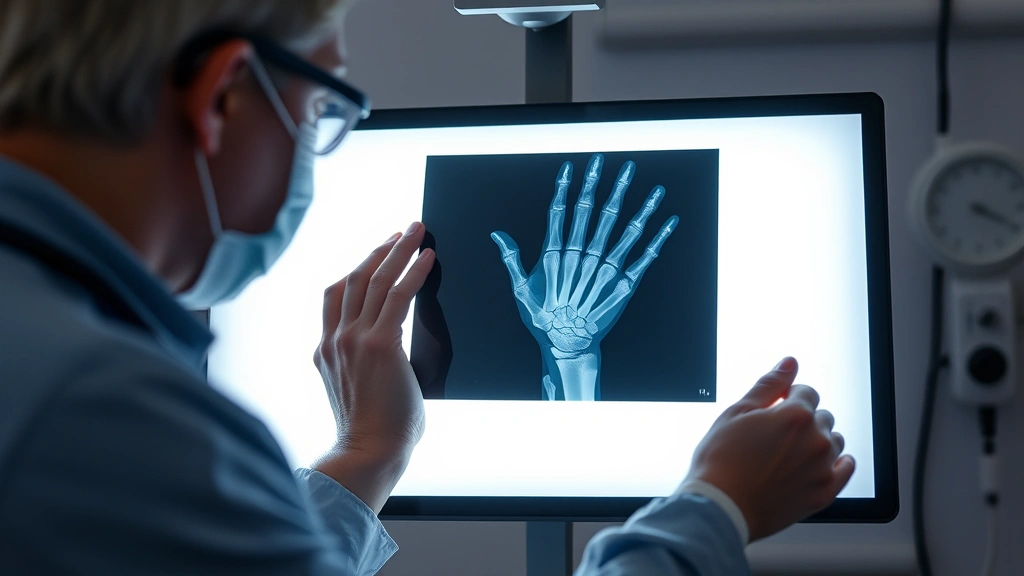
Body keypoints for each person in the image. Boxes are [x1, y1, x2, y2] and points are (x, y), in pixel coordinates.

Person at [0, 1, 855, 574]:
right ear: (224, 94)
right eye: (322, 108)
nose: (315, 146)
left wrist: (368, 452)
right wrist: (711, 510)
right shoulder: (105, 412)